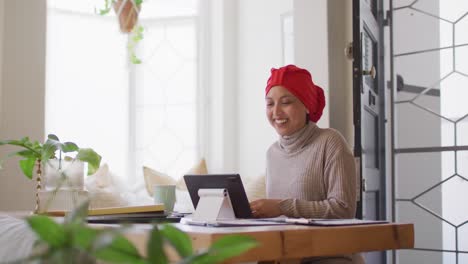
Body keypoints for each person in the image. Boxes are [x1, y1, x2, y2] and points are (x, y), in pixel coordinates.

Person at [250, 64, 360, 264]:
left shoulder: (330, 141)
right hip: (286, 255)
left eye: (286, 102)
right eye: (269, 104)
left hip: (329, 256)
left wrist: (283, 206)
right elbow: (279, 220)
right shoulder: (272, 153)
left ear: (307, 104)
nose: (276, 112)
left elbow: (343, 209)